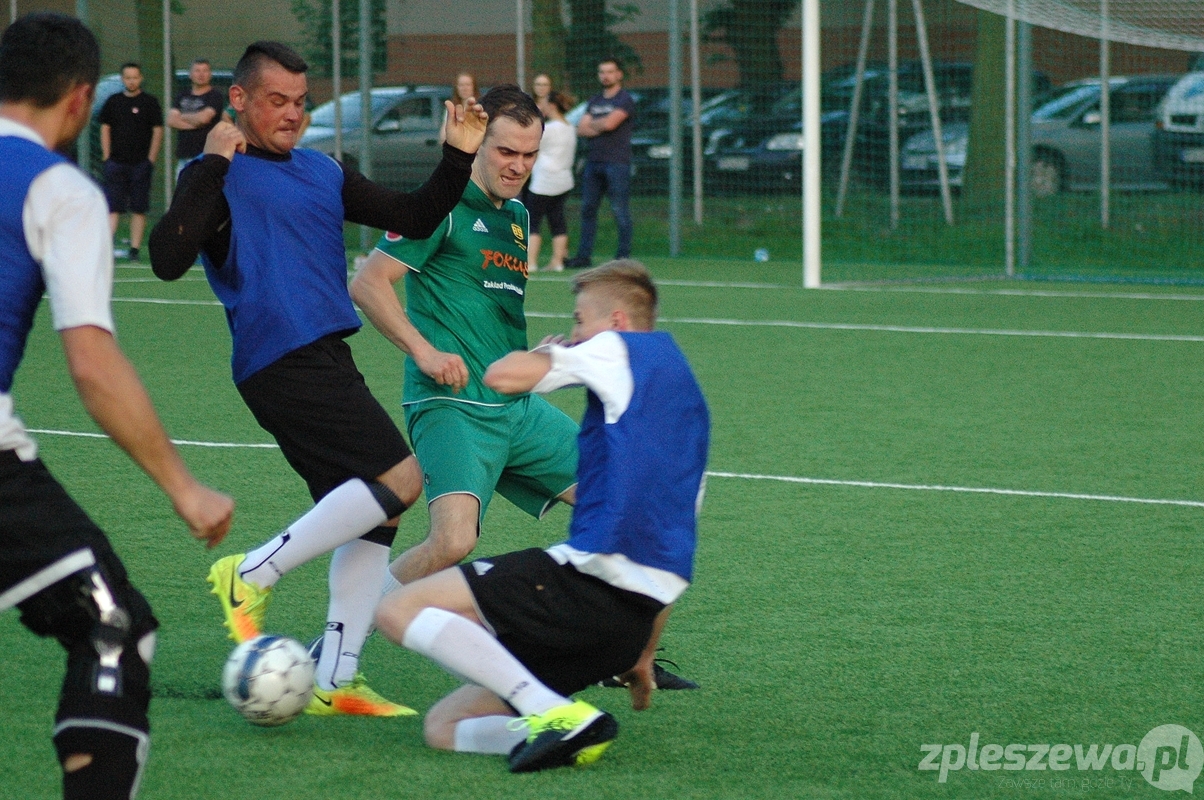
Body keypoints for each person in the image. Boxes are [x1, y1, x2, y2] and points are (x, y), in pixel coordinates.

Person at [148, 40, 487, 717]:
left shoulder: (323, 171)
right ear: (239, 99)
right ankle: (250, 572)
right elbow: (166, 257)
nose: (292, 114)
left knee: (381, 511)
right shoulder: (217, 175)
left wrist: (458, 154)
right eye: (276, 101)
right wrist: (212, 160)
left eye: (301, 102)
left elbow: (414, 217)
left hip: (327, 356)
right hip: (279, 359)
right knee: (402, 477)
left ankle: (335, 677)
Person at [0, 14, 234, 799]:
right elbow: (93, 366)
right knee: (113, 628)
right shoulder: (58, 190)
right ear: (78, 100)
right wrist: (184, 488)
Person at [373, 260, 709, 773]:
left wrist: (549, 354)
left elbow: (501, 376)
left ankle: (554, 713)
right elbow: (675, 552)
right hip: (625, 629)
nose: (577, 331)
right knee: (443, 727)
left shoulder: (616, 347)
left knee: (397, 611)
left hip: (584, 591)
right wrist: (643, 654)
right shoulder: (688, 409)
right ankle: (564, 723)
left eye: (579, 320)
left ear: (617, 321)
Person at [350, 85, 580, 592]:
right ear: (477, 143)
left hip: (514, 406)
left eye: (530, 155)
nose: (519, 166)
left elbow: (488, 313)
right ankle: (348, 625)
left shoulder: (517, 215)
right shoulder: (441, 205)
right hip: (451, 405)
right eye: (507, 151)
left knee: (616, 499)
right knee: (452, 541)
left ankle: (603, 637)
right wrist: (424, 351)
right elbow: (367, 283)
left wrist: (533, 360)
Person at [565, 58, 635, 269]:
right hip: (594, 162)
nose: (605, 76)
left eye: (610, 72)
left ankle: (623, 257)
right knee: (588, 209)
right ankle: (583, 256)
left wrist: (596, 124)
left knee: (619, 210)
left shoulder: (625, 100)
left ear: (619, 74)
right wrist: (601, 124)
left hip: (617, 163)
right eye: (602, 72)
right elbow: (581, 128)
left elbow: (611, 124)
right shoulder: (594, 100)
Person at [97, 62, 162, 262]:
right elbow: (105, 128)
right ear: (122, 79)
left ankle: (134, 249)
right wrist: (107, 156)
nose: (131, 81)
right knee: (113, 207)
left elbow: (157, 130)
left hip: (141, 164)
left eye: (135, 77)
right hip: (116, 163)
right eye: (128, 78)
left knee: (138, 208)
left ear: (140, 78)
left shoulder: (150, 102)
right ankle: (107, 248)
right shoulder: (113, 101)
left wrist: (151, 159)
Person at [526, 90, 576, 272]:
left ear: (552, 106)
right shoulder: (570, 127)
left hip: (544, 181)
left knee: (533, 220)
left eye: (545, 103)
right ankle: (557, 261)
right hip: (564, 180)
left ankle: (531, 262)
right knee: (557, 219)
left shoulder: (549, 129)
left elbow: (532, 145)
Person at [166, 58, 223, 173]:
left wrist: (182, 116)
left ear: (210, 74)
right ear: (190, 74)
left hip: (205, 156)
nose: (201, 74)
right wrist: (195, 124)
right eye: (197, 71)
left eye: (205, 71)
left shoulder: (215, 96)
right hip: (184, 157)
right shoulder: (182, 95)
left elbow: (204, 118)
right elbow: (171, 120)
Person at [438, 71, 477, 145]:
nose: (465, 88)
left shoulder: (480, 108)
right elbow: (443, 136)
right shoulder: (451, 108)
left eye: (468, 85)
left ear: (474, 87)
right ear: (456, 88)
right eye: (461, 85)